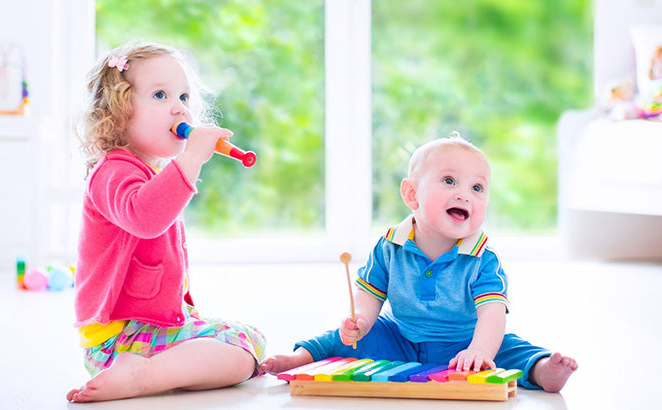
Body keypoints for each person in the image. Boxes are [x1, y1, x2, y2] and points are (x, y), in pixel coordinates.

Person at [260, 134, 577, 392]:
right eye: (450, 181)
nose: (465, 195)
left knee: (512, 349)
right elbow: (370, 295)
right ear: (412, 195)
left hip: (465, 342)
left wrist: (480, 351)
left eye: (477, 188)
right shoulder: (390, 246)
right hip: (402, 337)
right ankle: (299, 358)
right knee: (339, 339)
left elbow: (492, 314)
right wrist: (360, 323)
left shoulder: (482, 258)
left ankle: (543, 371)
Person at [66, 43, 266, 403]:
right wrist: (191, 158)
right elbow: (146, 218)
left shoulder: (146, 169)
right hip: (116, 338)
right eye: (160, 95)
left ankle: (156, 369)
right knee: (239, 351)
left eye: (185, 96)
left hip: (148, 326)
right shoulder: (111, 171)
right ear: (119, 111)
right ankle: (142, 375)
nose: (179, 107)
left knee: (249, 339)